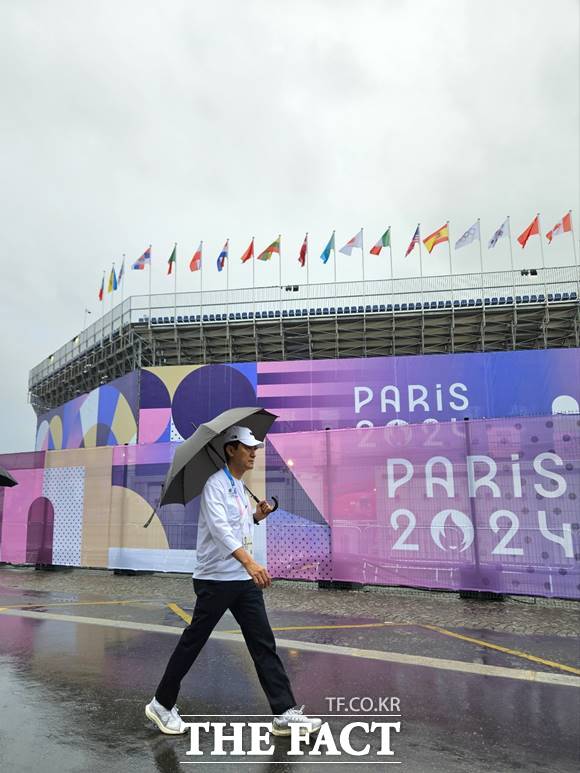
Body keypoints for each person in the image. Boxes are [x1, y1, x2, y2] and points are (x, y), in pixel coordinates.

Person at [145, 425, 321, 738]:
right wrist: (251, 562)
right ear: (230, 450)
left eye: (255, 448)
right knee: (193, 642)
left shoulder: (239, 486)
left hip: (241, 580)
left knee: (263, 643)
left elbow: (238, 527)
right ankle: (161, 703)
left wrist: (256, 517)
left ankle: (284, 713)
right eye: (247, 447)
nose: (254, 453)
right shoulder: (215, 485)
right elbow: (220, 531)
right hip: (216, 579)